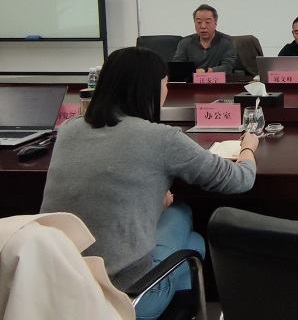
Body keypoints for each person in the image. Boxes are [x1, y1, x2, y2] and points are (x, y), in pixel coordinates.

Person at [40, 47, 258, 320]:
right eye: (165, 84)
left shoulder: (69, 129)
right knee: (185, 221)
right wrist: (248, 148)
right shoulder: (161, 138)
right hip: (126, 298)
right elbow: (240, 180)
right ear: (151, 89)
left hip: (55, 287)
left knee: (185, 235)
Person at [173, 3, 236, 74]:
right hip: (191, 80)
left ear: (215, 23)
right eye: (199, 22)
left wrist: (205, 71)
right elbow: (177, 67)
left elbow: (227, 68)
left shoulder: (227, 42)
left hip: (218, 80)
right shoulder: (185, 43)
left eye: (207, 22)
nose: (203, 26)